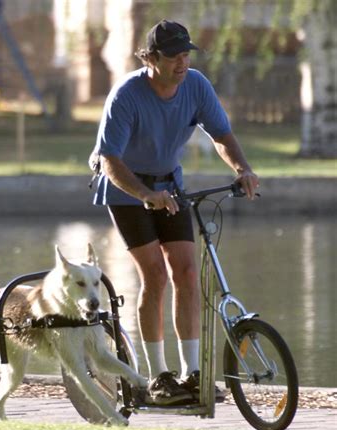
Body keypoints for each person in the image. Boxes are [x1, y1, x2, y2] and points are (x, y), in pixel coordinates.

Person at [90, 19, 259, 405]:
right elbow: (109, 160)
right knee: (155, 275)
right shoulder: (127, 95)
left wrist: (242, 170)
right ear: (150, 58)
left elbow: (221, 135)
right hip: (125, 188)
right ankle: (159, 376)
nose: (182, 63)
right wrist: (146, 194)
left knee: (185, 270)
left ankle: (192, 373)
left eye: (186, 55)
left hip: (170, 186)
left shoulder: (196, 85)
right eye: (173, 57)